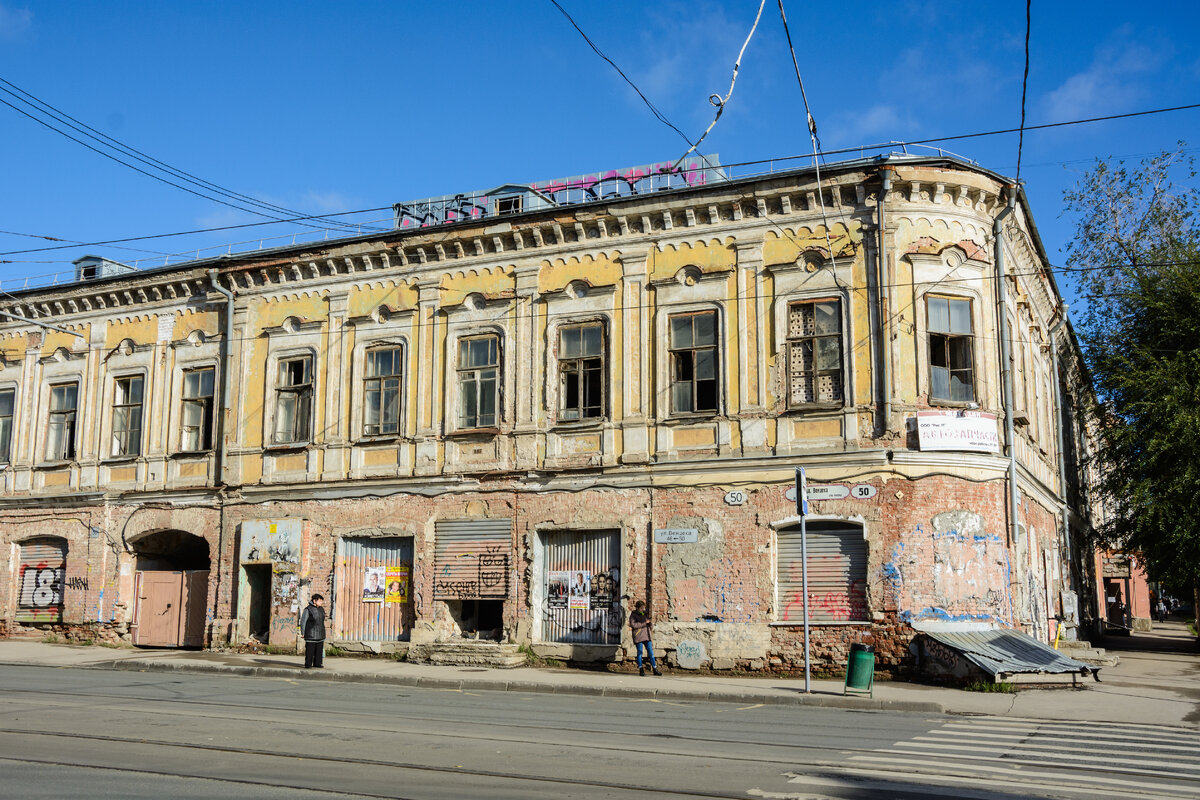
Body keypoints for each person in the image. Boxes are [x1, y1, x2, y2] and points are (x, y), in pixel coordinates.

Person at [629, 600, 661, 676]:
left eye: (643, 608)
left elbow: (649, 623)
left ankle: (655, 669)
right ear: (637, 608)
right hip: (639, 636)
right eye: (641, 608)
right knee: (640, 653)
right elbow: (633, 625)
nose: (643, 609)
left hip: (647, 636)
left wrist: (650, 625)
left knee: (651, 653)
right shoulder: (633, 615)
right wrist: (644, 623)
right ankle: (641, 669)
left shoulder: (645, 614)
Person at [298, 594, 326, 669]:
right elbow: (303, 622)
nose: (321, 603)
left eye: (321, 601)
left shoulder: (321, 609)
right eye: (319, 601)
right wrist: (303, 632)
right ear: (314, 601)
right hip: (311, 633)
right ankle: (308, 664)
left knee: (319, 650)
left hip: (320, 633)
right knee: (310, 650)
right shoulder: (308, 609)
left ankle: (318, 663)